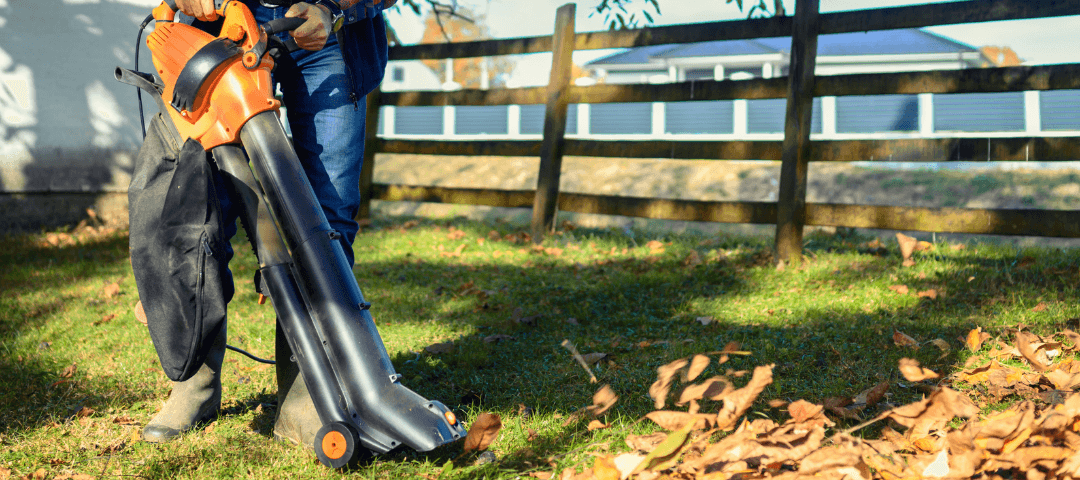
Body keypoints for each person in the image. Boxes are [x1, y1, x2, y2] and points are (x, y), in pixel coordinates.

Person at [140, 0, 393, 449]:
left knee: (326, 215)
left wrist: (333, 8)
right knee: (199, 211)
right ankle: (194, 386)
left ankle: (305, 395)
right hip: (220, 35)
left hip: (326, 40)